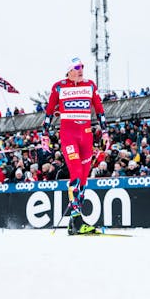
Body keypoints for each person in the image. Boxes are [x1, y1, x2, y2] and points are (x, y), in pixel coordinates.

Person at [44, 57, 107, 235]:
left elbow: (100, 109)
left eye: (82, 67)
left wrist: (105, 132)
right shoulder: (59, 86)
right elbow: (49, 111)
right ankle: (78, 221)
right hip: (69, 135)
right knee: (76, 174)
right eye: (77, 67)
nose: (81, 70)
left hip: (86, 137)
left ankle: (74, 223)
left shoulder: (90, 85)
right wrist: (45, 135)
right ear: (70, 70)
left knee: (84, 180)